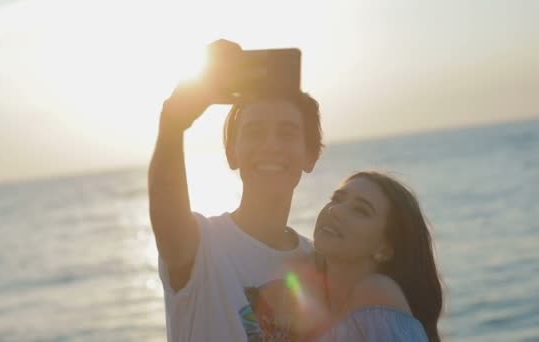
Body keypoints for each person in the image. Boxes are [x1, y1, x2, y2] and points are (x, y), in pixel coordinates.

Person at [147, 39, 325, 341]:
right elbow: (164, 197)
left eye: (287, 133)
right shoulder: (200, 247)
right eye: (254, 133)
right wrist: (173, 122)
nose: (270, 146)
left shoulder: (320, 264)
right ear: (232, 153)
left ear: (310, 155)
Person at [309, 171, 443, 341]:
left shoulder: (377, 294)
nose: (335, 210)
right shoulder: (308, 292)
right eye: (336, 199)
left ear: (385, 249)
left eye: (360, 210)